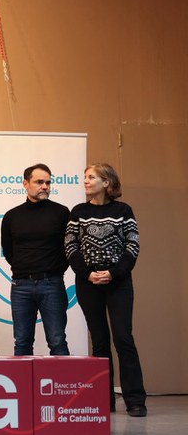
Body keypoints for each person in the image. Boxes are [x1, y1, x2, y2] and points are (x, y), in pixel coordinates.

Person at [65, 163, 147, 417]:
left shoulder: (123, 210)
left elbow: (132, 245)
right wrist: (87, 273)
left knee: (123, 338)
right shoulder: (78, 212)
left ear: (106, 182)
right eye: (85, 177)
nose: (86, 181)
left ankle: (135, 400)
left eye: (91, 177)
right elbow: (70, 246)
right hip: (88, 283)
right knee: (99, 341)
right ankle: (103, 399)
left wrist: (113, 273)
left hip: (118, 283)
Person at [1, 163, 71, 356]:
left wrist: (54, 269)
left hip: (52, 283)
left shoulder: (62, 213)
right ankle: (22, 378)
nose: (45, 187)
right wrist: (25, 268)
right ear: (26, 183)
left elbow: (69, 248)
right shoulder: (12, 216)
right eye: (39, 182)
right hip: (21, 285)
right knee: (22, 342)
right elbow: (8, 251)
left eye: (48, 182)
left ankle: (62, 377)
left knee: (57, 340)